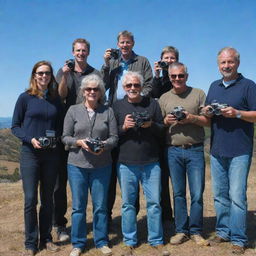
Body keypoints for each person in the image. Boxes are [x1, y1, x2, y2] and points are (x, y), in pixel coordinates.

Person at [204, 47, 256, 255]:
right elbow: (207, 115)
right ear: (218, 65)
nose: (226, 66)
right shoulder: (213, 86)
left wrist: (236, 113)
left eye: (230, 62)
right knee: (219, 195)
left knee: (236, 195)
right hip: (217, 149)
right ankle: (223, 231)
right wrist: (207, 111)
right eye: (223, 63)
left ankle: (238, 238)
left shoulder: (249, 86)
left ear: (237, 63)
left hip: (240, 150)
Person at [113, 71, 170, 256]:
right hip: (126, 162)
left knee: (154, 203)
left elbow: (162, 130)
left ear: (141, 86)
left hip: (151, 161)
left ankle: (156, 240)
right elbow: (111, 135)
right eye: (129, 86)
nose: (132, 89)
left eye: (136, 85)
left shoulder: (152, 103)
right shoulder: (117, 106)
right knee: (128, 204)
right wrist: (124, 127)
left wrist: (150, 125)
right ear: (124, 88)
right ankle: (130, 240)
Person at [62, 74, 118, 256]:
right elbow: (65, 137)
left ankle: (101, 241)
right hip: (77, 165)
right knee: (78, 206)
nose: (92, 92)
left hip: (102, 165)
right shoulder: (72, 110)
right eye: (88, 89)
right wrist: (79, 142)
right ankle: (78, 243)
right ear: (83, 92)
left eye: (96, 89)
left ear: (101, 91)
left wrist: (104, 146)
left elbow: (114, 138)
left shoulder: (107, 111)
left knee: (100, 206)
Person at [102, 30, 153, 223]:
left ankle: (133, 216)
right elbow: (103, 85)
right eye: (121, 43)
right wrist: (107, 64)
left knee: (132, 167)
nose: (124, 45)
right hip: (115, 110)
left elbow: (149, 84)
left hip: (136, 109)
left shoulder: (142, 61)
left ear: (133, 43)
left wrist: (136, 98)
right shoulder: (113, 62)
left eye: (127, 42)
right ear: (117, 44)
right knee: (111, 170)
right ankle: (106, 217)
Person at [11, 61, 62, 256]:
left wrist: (54, 139)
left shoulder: (55, 100)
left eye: (47, 73)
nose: (44, 76)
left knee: (47, 199)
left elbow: (59, 126)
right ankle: (31, 243)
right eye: (40, 73)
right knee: (30, 199)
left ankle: (47, 238)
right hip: (30, 154)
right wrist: (30, 139)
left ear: (51, 76)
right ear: (34, 75)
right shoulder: (25, 98)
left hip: (51, 155)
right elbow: (15, 126)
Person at [53, 38, 101, 242]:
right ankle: (59, 224)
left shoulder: (95, 73)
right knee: (60, 180)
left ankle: (100, 223)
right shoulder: (64, 71)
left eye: (84, 50)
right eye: (77, 50)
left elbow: (100, 98)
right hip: (66, 126)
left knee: (94, 176)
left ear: (88, 52)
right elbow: (59, 95)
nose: (81, 53)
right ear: (72, 52)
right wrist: (64, 75)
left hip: (89, 126)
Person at [159, 62, 210, 246]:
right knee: (178, 193)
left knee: (196, 193)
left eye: (181, 76)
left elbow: (208, 122)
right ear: (169, 77)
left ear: (186, 76)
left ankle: (196, 231)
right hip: (173, 151)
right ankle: (181, 230)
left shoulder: (198, 94)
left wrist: (191, 118)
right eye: (174, 76)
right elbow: (158, 126)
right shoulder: (164, 98)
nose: (177, 79)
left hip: (195, 149)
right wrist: (166, 120)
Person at [151, 46, 179, 224]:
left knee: (176, 182)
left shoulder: (177, 80)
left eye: (172, 58)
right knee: (161, 180)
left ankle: (180, 217)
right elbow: (153, 95)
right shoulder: (160, 81)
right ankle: (166, 215)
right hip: (160, 137)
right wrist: (156, 75)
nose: (168, 61)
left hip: (176, 137)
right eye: (166, 58)